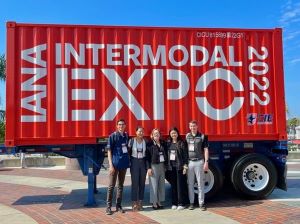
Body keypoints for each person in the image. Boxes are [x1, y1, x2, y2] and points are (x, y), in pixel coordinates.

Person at [105, 119, 130, 215]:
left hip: (123, 165)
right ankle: (108, 207)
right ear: (117, 126)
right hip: (114, 165)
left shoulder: (126, 136)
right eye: (119, 124)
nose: (121, 126)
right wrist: (110, 165)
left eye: (122, 124)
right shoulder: (113, 136)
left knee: (120, 186)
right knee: (111, 186)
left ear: (125, 126)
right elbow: (109, 151)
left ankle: (118, 205)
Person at [186, 120, 209, 211]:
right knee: (190, 184)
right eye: (191, 126)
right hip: (190, 162)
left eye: (194, 126)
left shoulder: (203, 136)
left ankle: (201, 203)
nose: (193, 128)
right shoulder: (187, 136)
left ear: (197, 126)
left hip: (199, 162)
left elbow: (206, 150)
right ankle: (191, 203)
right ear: (189, 127)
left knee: (200, 184)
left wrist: (206, 162)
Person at [166, 127, 189, 210]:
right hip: (171, 167)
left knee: (180, 186)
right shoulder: (168, 143)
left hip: (180, 167)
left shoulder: (181, 143)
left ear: (177, 134)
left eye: (175, 133)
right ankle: (174, 203)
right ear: (170, 134)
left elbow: (185, 156)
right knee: (173, 186)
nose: (173, 135)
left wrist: (185, 166)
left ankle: (181, 203)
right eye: (172, 133)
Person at [128, 126, 147, 211]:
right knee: (135, 183)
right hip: (134, 162)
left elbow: (147, 154)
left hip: (143, 162)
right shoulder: (132, 141)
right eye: (139, 131)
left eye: (142, 131)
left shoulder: (145, 141)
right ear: (136, 132)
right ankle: (134, 203)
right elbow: (128, 152)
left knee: (142, 184)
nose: (141, 133)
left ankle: (140, 203)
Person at [146, 128, 166, 210]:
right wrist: (148, 168)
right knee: (154, 185)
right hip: (153, 166)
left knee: (161, 184)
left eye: (158, 134)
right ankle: (154, 202)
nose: (156, 135)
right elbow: (147, 158)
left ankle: (159, 201)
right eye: (155, 134)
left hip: (162, 165)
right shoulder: (150, 145)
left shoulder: (162, 143)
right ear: (152, 136)